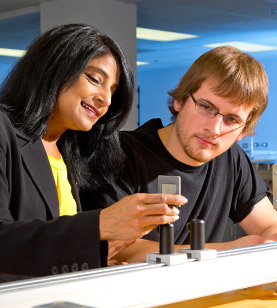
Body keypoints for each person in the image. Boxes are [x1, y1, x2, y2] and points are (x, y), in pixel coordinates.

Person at [0, 23, 186, 285]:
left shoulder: (70, 151)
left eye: (112, 90)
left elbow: (47, 248)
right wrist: (101, 224)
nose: (105, 99)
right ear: (54, 68)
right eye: (95, 79)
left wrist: (102, 252)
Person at [82, 46, 277, 263]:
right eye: (205, 107)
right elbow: (116, 248)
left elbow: (268, 224)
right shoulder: (120, 152)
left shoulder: (231, 159)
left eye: (232, 119)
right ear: (180, 101)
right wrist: (225, 251)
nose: (214, 129)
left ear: (243, 130)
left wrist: (270, 239)